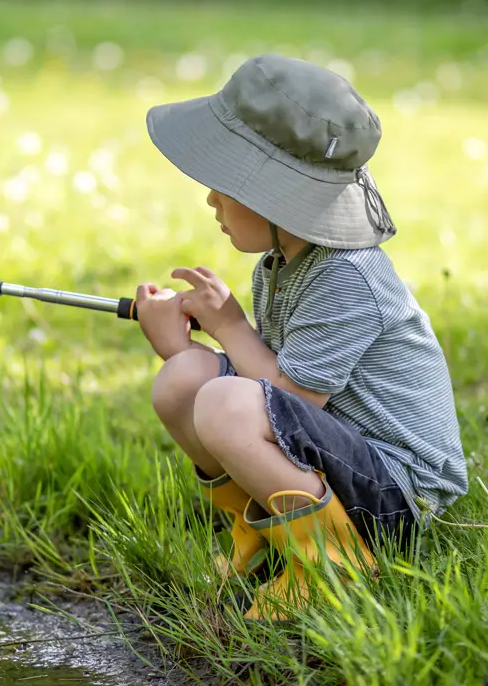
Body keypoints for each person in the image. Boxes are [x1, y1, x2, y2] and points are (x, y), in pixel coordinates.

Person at [135, 54, 468, 621]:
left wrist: (231, 327)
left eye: (222, 184)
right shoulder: (281, 264)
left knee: (220, 399)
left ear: (275, 196)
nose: (210, 200)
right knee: (182, 381)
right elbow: (263, 395)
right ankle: (260, 533)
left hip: (394, 493)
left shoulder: (347, 275)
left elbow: (289, 401)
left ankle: (333, 560)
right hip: (335, 456)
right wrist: (180, 349)